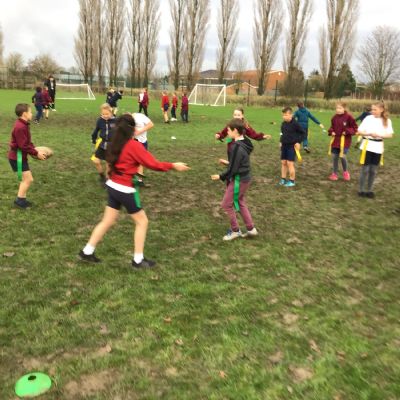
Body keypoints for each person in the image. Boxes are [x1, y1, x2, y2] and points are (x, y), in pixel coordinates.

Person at [79, 113, 189, 268]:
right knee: (142, 221)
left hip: (112, 186)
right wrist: (173, 165)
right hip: (124, 189)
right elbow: (153, 164)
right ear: (132, 129)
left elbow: (109, 164)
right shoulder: (134, 146)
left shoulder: (113, 143)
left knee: (107, 221)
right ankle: (138, 260)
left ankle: (87, 251)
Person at [211, 119, 257, 241]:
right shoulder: (245, 142)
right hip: (245, 177)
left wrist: (220, 176)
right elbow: (239, 162)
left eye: (228, 130)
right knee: (239, 201)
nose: (227, 132)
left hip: (239, 180)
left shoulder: (236, 146)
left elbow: (233, 169)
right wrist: (228, 163)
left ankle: (235, 230)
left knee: (226, 204)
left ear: (235, 131)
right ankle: (251, 229)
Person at [8, 103, 46, 208]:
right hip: (17, 158)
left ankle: (22, 200)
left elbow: (27, 142)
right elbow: (23, 146)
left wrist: (34, 149)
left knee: (25, 179)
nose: (32, 114)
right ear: (24, 114)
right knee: (28, 179)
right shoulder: (20, 127)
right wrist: (36, 153)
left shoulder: (23, 124)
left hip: (19, 156)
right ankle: (19, 201)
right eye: (30, 112)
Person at [356, 102, 394, 198]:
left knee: (373, 170)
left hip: (378, 148)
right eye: (372, 109)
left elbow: (390, 134)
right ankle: (361, 190)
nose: (372, 111)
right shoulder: (368, 118)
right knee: (365, 169)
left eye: (375, 109)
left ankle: (369, 190)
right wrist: (368, 133)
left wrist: (379, 135)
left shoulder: (387, 121)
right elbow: (359, 131)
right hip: (367, 146)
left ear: (381, 110)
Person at [327, 102, 358, 182]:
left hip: (345, 141)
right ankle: (334, 173)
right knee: (335, 157)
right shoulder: (334, 118)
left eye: (340, 108)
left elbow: (355, 128)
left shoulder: (349, 117)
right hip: (336, 141)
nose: (338, 110)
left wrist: (347, 131)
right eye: (337, 108)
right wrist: (331, 131)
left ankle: (345, 172)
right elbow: (332, 127)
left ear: (344, 108)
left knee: (342, 156)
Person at [279, 107, 306, 187]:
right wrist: (281, 141)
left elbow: (303, 133)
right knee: (283, 162)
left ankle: (292, 181)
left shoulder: (295, 124)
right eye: (283, 115)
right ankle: (283, 179)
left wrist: (298, 142)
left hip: (291, 146)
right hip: (284, 145)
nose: (284, 117)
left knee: (289, 163)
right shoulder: (283, 124)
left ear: (291, 115)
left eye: (286, 115)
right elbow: (282, 133)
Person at [91, 103, 116, 184]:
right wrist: (93, 138)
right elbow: (96, 130)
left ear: (111, 112)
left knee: (108, 163)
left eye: (107, 114)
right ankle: (102, 176)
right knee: (96, 161)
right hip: (102, 144)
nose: (105, 116)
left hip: (111, 145)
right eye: (103, 114)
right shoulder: (100, 120)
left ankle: (107, 180)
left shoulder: (115, 120)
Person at [132, 111, 154, 186]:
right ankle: (132, 176)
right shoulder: (127, 121)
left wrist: (140, 131)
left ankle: (139, 180)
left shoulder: (140, 117)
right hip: (133, 142)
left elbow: (151, 124)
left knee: (141, 161)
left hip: (143, 141)